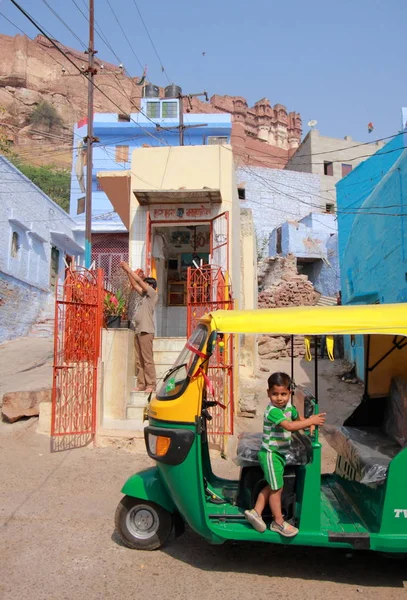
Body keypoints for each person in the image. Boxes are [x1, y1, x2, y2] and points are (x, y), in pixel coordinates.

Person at [245, 372, 326, 537]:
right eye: (275, 394)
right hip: (271, 454)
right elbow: (289, 426)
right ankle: (278, 522)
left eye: (283, 394)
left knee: (273, 485)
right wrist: (311, 421)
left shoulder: (289, 407)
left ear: (290, 393)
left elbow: (297, 418)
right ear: (268, 393)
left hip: (279, 454)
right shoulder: (273, 411)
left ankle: (256, 512)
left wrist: (308, 426)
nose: (279, 398)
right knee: (277, 488)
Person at [121, 262, 158, 393]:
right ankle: (141, 384)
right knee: (139, 360)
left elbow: (139, 282)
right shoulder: (143, 296)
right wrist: (127, 272)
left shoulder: (152, 294)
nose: (144, 285)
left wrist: (128, 269)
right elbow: (134, 284)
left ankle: (151, 385)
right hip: (138, 330)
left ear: (151, 286)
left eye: (146, 283)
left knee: (147, 360)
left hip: (146, 331)